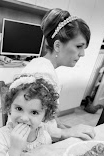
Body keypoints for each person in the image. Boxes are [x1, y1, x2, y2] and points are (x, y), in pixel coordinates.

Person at [20, 8, 95, 140]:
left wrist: (57, 124)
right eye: (79, 46)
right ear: (58, 46)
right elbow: (29, 121)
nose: (82, 54)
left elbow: (42, 115)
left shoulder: (41, 65)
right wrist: (64, 133)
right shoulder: (43, 75)